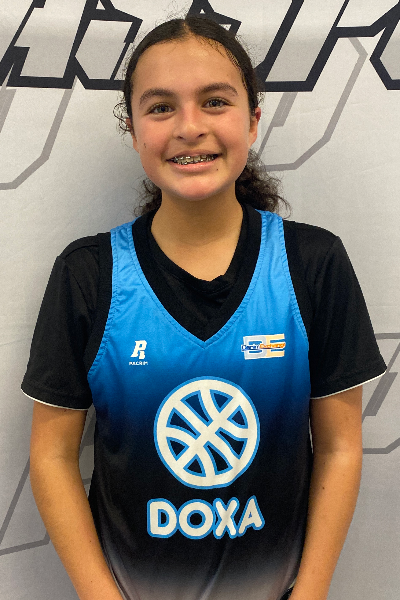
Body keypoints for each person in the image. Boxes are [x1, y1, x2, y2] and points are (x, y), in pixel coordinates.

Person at [23, 15, 386, 600]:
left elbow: (341, 447)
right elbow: (52, 456)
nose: (190, 127)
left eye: (215, 101)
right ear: (133, 128)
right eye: (161, 107)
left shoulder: (312, 263)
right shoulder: (88, 274)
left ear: (253, 118)